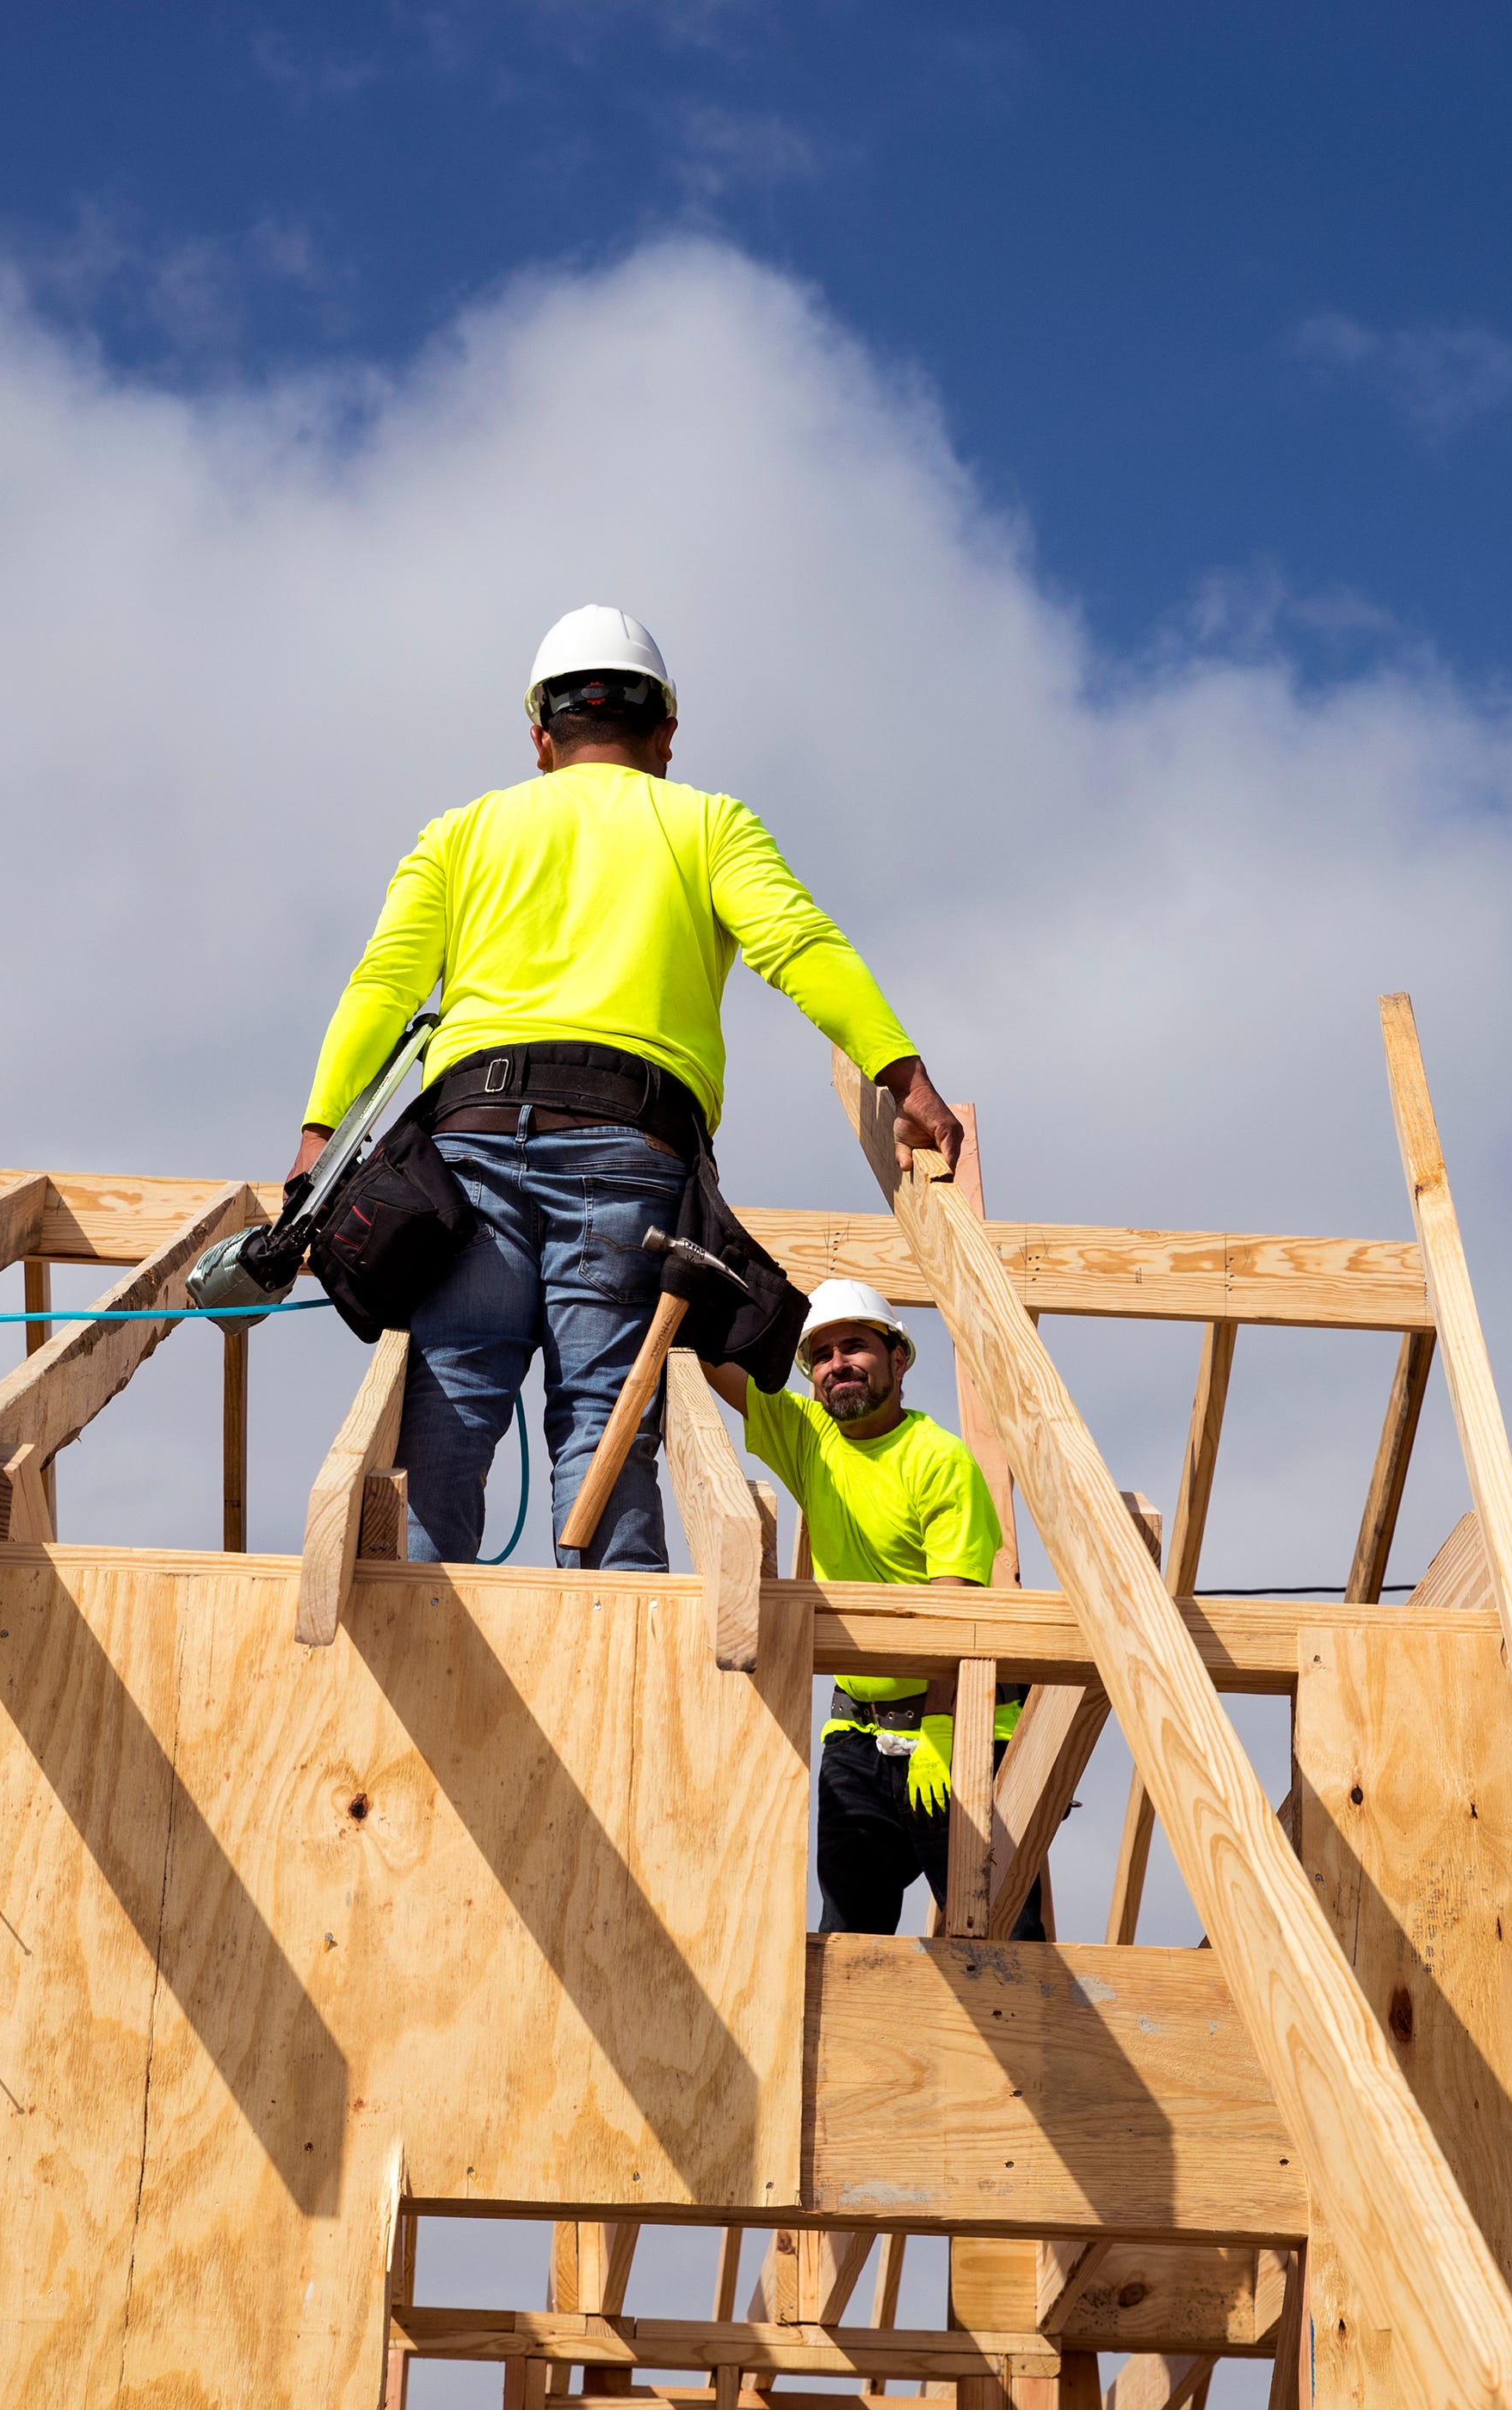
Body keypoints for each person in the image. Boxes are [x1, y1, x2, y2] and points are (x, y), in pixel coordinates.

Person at [293, 605, 965, 1570]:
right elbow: (801, 947)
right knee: (606, 1427)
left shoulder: (464, 832)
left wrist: (321, 1136)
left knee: (451, 1402)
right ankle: (616, 1681)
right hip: (630, 1155)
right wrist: (907, 1078)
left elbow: (383, 984)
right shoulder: (706, 823)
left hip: (469, 1148)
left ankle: (417, 1642)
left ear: (540, 737)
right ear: (666, 735)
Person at [707, 1279, 1046, 1939]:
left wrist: (945, 1733)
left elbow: (957, 1615)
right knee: (846, 1942)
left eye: (855, 1346)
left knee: (1006, 1943)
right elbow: (715, 1364)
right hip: (858, 1738)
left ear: (899, 1359)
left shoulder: (939, 1460)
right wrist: (694, 1284)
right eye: (823, 1354)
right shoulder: (808, 1439)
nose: (838, 1365)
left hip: (952, 1730)